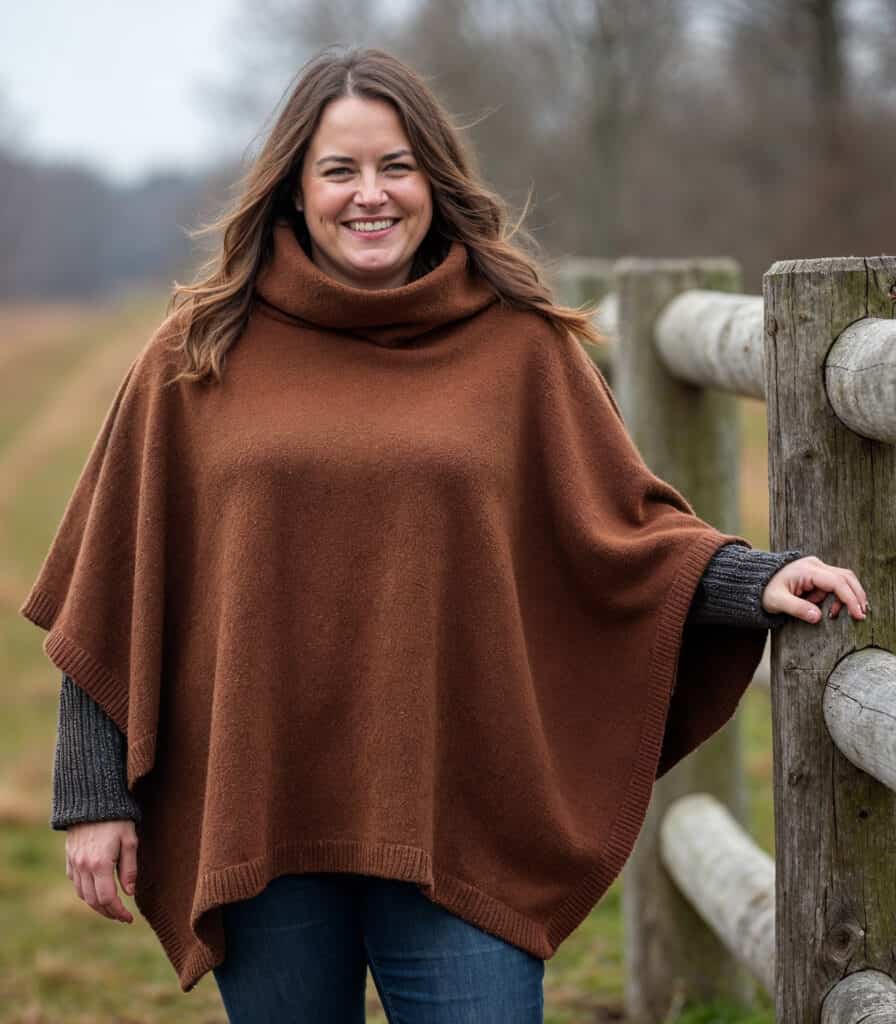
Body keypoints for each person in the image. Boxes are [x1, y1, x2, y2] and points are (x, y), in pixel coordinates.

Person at [22, 45, 869, 1024]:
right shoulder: (197, 350)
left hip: (461, 810)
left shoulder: (518, 345)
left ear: (433, 178)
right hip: (257, 803)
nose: (368, 194)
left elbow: (617, 531)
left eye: (395, 166)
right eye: (338, 170)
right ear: (294, 188)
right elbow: (113, 575)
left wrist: (748, 580)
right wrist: (94, 796)